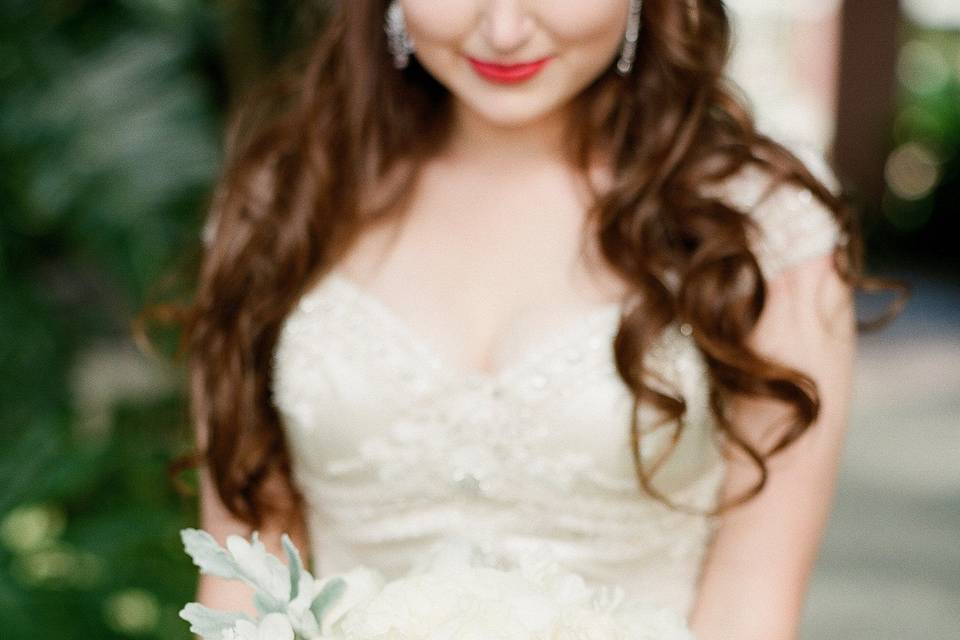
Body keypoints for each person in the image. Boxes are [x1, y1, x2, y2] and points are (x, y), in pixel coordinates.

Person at [178, 1, 864, 637]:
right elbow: (241, 576)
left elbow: (752, 600)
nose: (504, 29)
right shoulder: (284, 205)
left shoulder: (764, 231)